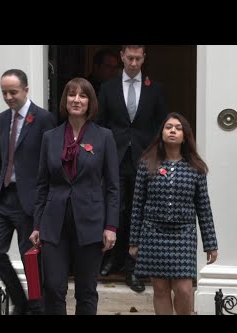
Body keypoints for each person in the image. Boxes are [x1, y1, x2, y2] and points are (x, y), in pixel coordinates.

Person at [29, 78, 119, 315]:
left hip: (91, 223)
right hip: (53, 223)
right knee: (53, 287)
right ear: (65, 100)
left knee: (86, 290)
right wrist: (37, 224)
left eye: (82, 95)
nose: (76, 100)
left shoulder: (104, 137)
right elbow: (42, 184)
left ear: (90, 102)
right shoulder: (50, 137)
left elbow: (112, 187)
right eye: (71, 95)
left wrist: (111, 226)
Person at [129, 112, 218, 315]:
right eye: (168, 127)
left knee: (184, 290)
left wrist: (210, 244)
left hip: (183, 235)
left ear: (185, 136)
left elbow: (204, 208)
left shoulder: (196, 168)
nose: (173, 131)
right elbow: (137, 205)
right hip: (153, 234)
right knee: (160, 289)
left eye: (178, 128)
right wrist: (134, 241)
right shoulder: (147, 164)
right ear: (161, 133)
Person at [97, 45, 167, 292]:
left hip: (144, 158)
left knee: (138, 213)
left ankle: (134, 267)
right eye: (130, 58)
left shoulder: (155, 89)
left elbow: (161, 125)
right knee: (115, 209)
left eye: (139, 59)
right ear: (122, 57)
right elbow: (100, 125)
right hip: (114, 157)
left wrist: (159, 158)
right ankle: (111, 259)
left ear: (144, 58)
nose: (134, 63)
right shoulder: (107, 89)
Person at [0, 69, 56, 315]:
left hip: (31, 200)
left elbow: (50, 163)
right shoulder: (2, 119)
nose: (8, 97)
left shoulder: (44, 119)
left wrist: (44, 202)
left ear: (26, 90)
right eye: (4, 92)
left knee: (32, 260)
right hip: (4, 197)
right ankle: (20, 300)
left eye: (13, 92)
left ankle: (37, 308)